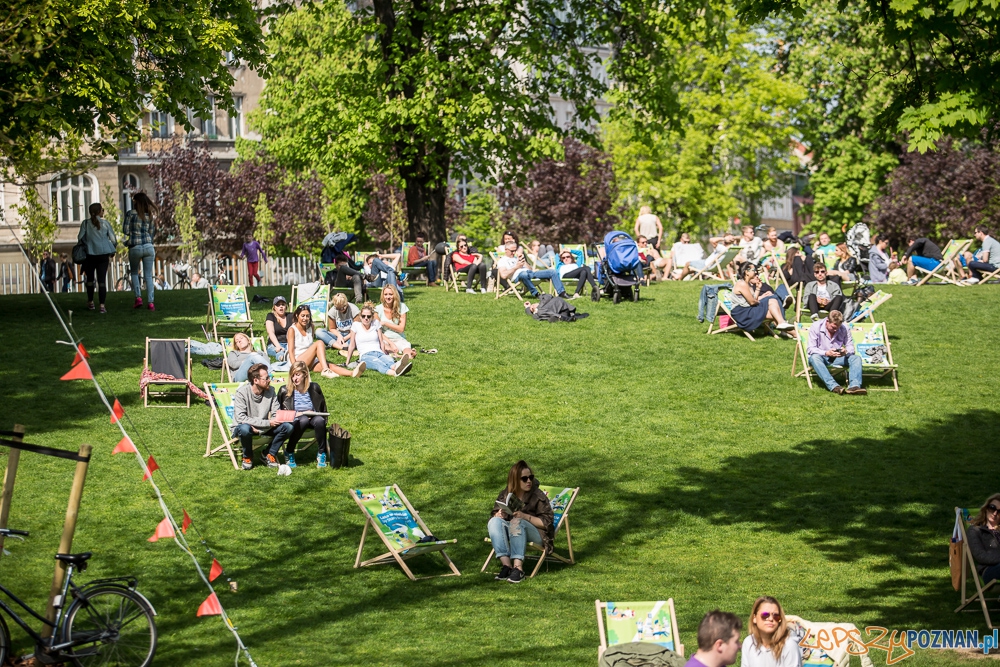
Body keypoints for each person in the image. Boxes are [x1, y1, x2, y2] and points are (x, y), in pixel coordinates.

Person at [487, 460, 555, 584]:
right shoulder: (506, 493)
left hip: (537, 534)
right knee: (494, 522)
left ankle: (518, 569)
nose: (529, 481)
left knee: (517, 521)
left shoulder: (537, 496)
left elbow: (547, 523)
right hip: (512, 531)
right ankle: (507, 566)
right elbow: (494, 514)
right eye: (524, 479)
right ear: (515, 480)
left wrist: (525, 516)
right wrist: (498, 515)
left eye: (531, 477)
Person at [232, 363, 295, 470]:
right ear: (255, 380)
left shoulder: (271, 391)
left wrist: (265, 425)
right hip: (246, 427)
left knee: (288, 427)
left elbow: (275, 413)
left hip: (263, 426)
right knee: (245, 428)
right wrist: (267, 423)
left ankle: (269, 453)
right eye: (266, 378)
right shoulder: (242, 393)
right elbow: (241, 418)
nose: (269, 380)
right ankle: (247, 456)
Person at [276, 361, 330, 468]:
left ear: (305, 374)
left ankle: (321, 453)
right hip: (296, 420)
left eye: (297, 375)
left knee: (319, 420)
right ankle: (289, 451)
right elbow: (279, 412)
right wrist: (296, 414)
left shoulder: (314, 388)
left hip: (313, 417)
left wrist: (314, 414)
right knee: (303, 419)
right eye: (292, 375)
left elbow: (322, 408)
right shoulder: (284, 390)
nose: (294, 378)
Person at [287, 305, 362, 379]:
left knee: (331, 366)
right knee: (319, 343)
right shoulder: (292, 330)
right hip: (298, 360)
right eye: (302, 316)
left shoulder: (311, 327)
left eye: (307, 316)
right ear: (297, 316)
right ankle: (325, 370)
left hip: (310, 360)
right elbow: (291, 351)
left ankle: (352, 373)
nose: (305, 318)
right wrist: (294, 367)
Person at [344, 303, 414, 376]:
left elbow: (381, 342)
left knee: (388, 361)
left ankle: (397, 367)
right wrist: (347, 362)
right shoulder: (356, 325)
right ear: (360, 317)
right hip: (365, 355)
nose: (366, 318)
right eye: (363, 316)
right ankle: (395, 373)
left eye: (368, 316)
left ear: (372, 317)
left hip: (379, 352)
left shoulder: (376, 323)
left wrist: (384, 354)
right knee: (378, 363)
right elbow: (352, 345)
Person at [807, 310, 866, 395]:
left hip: (837, 357)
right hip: (821, 357)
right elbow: (811, 349)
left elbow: (850, 347)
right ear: (827, 321)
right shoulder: (816, 326)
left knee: (856, 358)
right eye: (833, 327)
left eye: (838, 328)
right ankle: (834, 386)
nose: (835, 330)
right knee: (814, 357)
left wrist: (845, 352)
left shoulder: (844, 328)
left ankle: (854, 387)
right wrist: (826, 353)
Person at [77, 202, 118, 313]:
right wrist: (112, 248)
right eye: (102, 209)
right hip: (103, 255)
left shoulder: (85, 224)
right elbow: (113, 239)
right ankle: (102, 306)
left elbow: (80, 237)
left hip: (90, 255)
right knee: (102, 281)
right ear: (99, 212)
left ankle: (90, 302)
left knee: (90, 280)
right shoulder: (105, 224)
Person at [730, 263, 794, 333]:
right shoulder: (741, 283)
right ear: (746, 272)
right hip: (742, 313)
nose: (755, 272)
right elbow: (752, 302)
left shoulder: (748, 284)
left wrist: (758, 288)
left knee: (774, 313)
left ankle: (793, 333)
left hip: (748, 309)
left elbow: (754, 299)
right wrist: (761, 301)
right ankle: (783, 323)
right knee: (772, 300)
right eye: (753, 270)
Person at [122, 192, 158, 310]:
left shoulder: (130, 214)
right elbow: (152, 233)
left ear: (136, 202)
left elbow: (125, 231)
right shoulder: (150, 215)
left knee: (134, 273)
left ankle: (138, 298)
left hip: (135, 247)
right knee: (148, 275)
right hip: (148, 247)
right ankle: (151, 302)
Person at [497, 241, 570, 299]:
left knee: (552, 272)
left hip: (530, 273)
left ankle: (562, 293)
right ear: (506, 250)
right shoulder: (502, 261)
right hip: (518, 276)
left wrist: (523, 261)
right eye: (512, 251)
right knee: (524, 274)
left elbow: (530, 269)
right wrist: (516, 267)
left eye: (515, 250)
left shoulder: (516, 257)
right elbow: (503, 275)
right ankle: (536, 294)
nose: (514, 252)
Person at [742, 597, 800, 667]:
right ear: (754, 618)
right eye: (765, 615)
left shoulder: (789, 645)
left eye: (776, 616)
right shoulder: (748, 642)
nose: (771, 619)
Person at [966, 494, 1000, 583]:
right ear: (986, 508)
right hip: (989, 570)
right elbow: (981, 556)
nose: (995, 513)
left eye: (999, 511)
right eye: (992, 508)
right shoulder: (975, 530)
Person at [317, 293, 360, 357]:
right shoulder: (332, 311)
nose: (341, 310)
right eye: (338, 308)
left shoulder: (354, 309)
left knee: (359, 336)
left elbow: (357, 328)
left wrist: (344, 339)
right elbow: (332, 328)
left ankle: (335, 344)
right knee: (318, 332)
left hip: (351, 334)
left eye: (343, 307)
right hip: (338, 334)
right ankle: (342, 347)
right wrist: (339, 336)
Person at [375, 284, 412, 354]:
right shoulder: (377, 309)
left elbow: (401, 329)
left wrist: (385, 323)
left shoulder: (402, 307)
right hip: (384, 339)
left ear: (394, 295)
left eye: (390, 294)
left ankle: (409, 355)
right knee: (383, 347)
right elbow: (378, 331)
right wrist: (391, 343)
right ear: (383, 296)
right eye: (385, 294)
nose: (388, 297)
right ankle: (395, 356)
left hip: (398, 337)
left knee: (407, 349)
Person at [265, 296, 294, 362]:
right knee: (279, 352)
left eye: (283, 305)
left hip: (289, 343)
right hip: (274, 344)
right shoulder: (271, 316)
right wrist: (278, 346)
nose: (281, 306)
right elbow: (270, 332)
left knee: (292, 351)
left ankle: (289, 358)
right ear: (274, 307)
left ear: (286, 307)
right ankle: (282, 359)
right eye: (278, 305)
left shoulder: (291, 316)